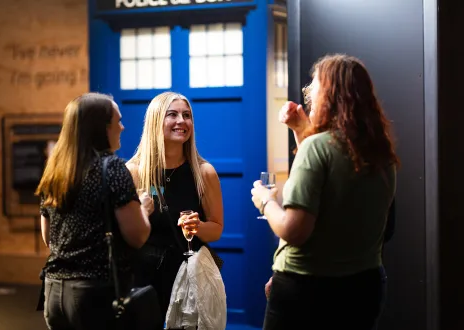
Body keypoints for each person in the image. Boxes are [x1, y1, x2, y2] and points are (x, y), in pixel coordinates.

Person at [252, 54, 399, 330]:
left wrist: (266, 202)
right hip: (363, 287)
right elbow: (336, 203)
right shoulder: (381, 154)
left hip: (307, 289)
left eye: (314, 87)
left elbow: (296, 231)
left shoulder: (317, 147)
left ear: (330, 95)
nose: (309, 93)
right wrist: (301, 130)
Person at [35, 92, 154, 330]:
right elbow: (138, 236)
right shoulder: (112, 169)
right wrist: (143, 208)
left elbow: (49, 238)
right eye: (117, 121)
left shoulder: (55, 171)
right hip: (93, 293)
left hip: (53, 291)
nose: (122, 127)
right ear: (101, 128)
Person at [126, 91, 224, 324]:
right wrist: (141, 213)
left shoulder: (204, 172)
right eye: (173, 115)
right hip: (144, 276)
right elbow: (124, 234)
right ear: (155, 121)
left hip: (188, 276)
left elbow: (217, 229)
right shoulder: (135, 172)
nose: (182, 121)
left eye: (187, 115)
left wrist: (198, 227)